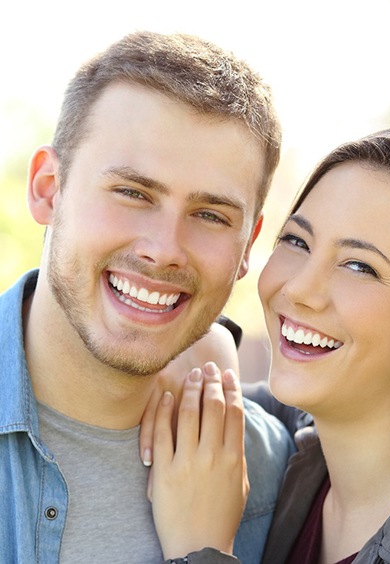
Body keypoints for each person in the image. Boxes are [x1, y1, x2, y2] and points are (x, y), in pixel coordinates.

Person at [146, 127, 390, 562]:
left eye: (359, 266)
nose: (300, 289)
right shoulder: (301, 446)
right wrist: (212, 344)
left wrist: (201, 550)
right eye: (297, 241)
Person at [0, 30, 295, 563]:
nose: (164, 251)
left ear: (248, 245)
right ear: (48, 188)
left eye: (210, 215)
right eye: (133, 193)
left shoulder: (273, 474)